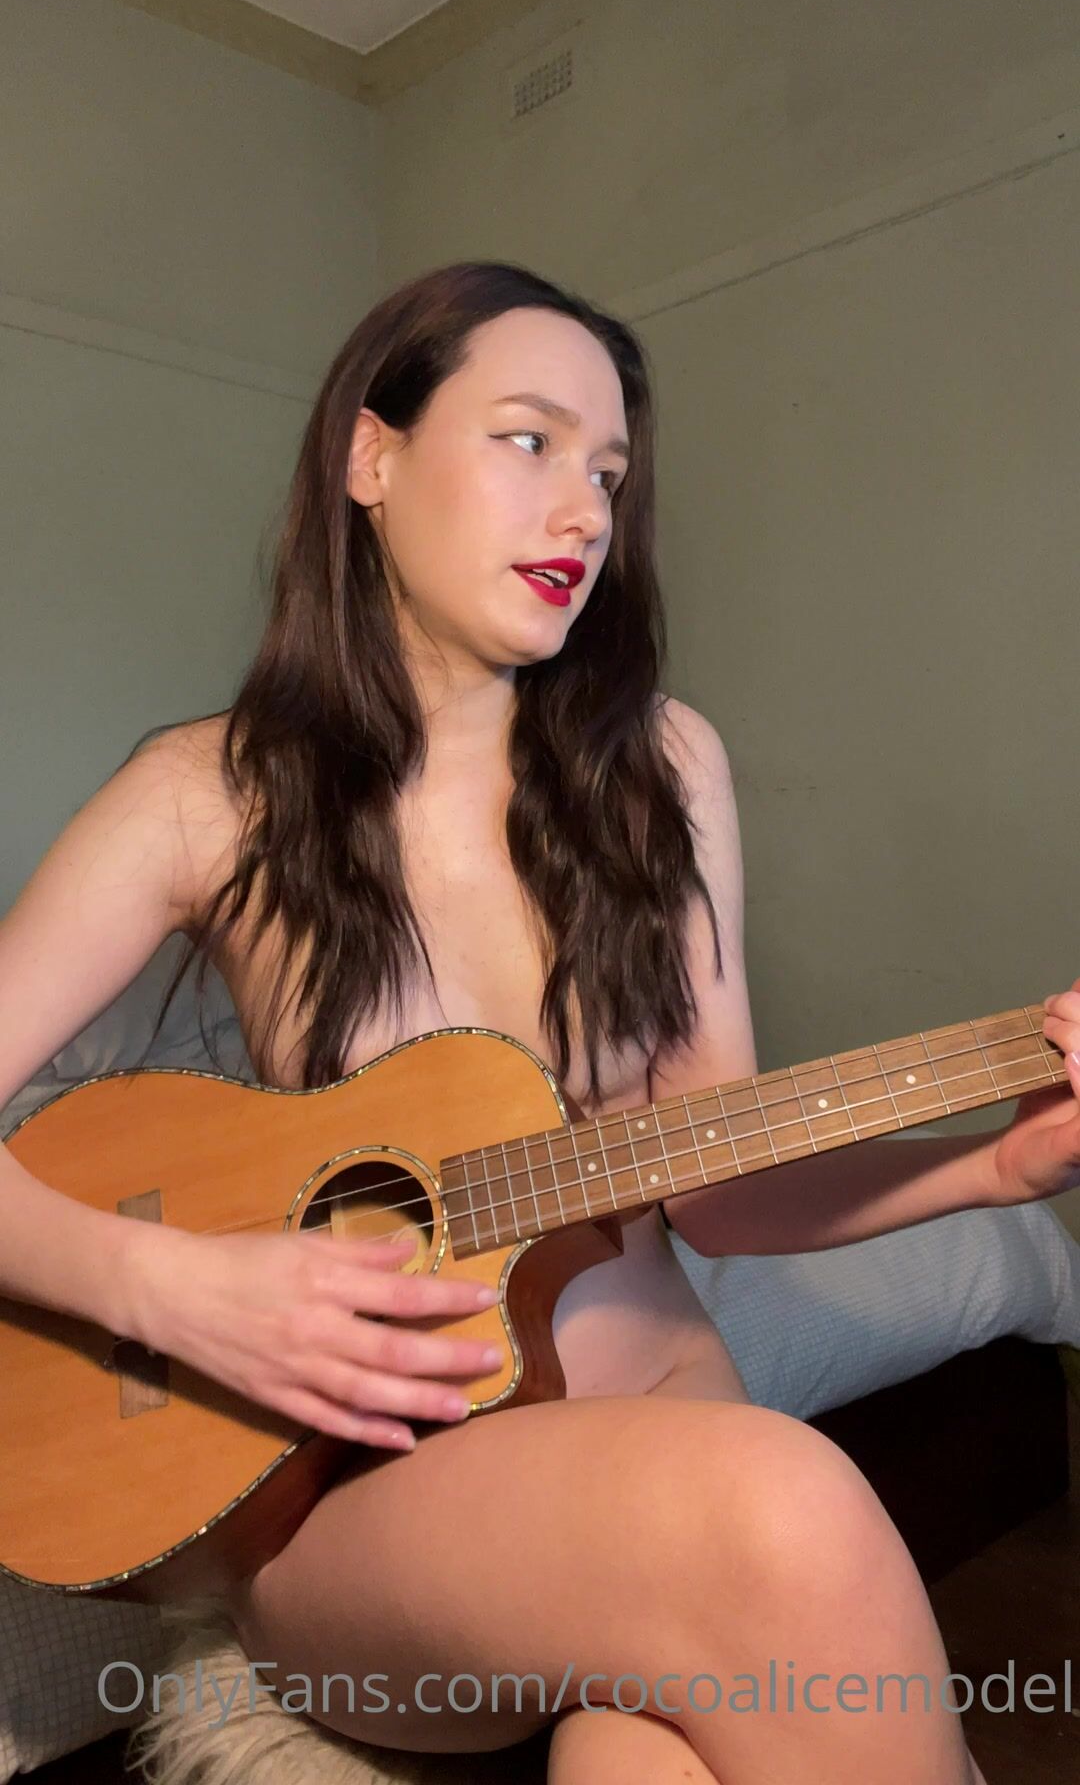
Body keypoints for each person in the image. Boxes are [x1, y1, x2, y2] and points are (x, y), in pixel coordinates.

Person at [3, 260, 1078, 1784]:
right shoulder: (207, 796)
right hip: (371, 1494)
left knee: (655, 1760)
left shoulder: (665, 768)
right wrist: (177, 1290)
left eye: (611, 475)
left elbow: (718, 1184)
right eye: (529, 441)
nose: (584, 513)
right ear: (371, 458)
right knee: (790, 1504)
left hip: (667, 1398)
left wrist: (997, 1166)